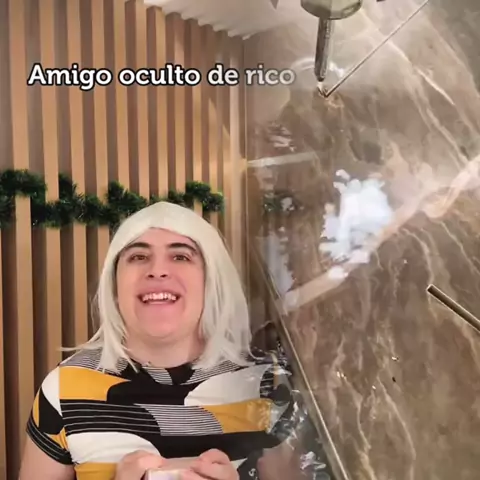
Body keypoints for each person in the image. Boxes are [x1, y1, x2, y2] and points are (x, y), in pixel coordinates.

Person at [18, 201, 294, 480]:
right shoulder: (65, 388)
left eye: (180, 257)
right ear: (114, 285)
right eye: (138, 256)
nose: (157, 270)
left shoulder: (269, 382)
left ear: (212, 279)